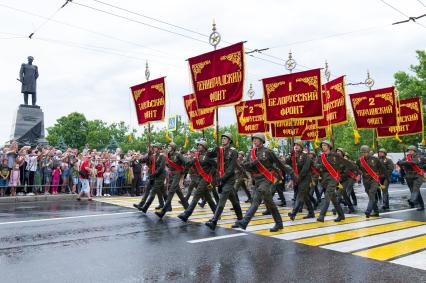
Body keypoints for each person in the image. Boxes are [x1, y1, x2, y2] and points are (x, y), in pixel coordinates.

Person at [233, 133, 294, 232]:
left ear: (261, 141)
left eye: (257, 139)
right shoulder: (251, 152)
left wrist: (292, 174)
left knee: (256, 200)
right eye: (254, 139)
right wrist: (253, 163)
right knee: (269, 203)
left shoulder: (268, 152)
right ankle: (279, 223)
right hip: (256, 180)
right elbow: (245, 165)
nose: (255, 141)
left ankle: (244, 222)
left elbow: (280, 163)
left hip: (266, 179)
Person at [205, 133, 243, 230]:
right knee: (234, 200)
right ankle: (241, 220)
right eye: (222, 138)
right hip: (221, 178)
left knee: (222, 199)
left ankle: (214, 221)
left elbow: (230, 169)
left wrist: (221, 179)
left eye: (225, 138)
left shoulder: (233, 152)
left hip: (229, 179)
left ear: (229, 140)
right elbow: (208, 156)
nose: (223, 140)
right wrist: (214, 149)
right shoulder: (220, 150)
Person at [178, 140, 217, 222]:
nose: (199, 146)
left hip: (206, 179)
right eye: (198, 145)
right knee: (208, 197)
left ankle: (186, 214)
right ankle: (217, 213)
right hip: (200, 178)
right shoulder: (196, 155)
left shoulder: (208, 156)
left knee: (196, 195)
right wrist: (182, 157)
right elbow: (189, 163)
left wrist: (211, 176)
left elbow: (216, 166)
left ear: (205, 147)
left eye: (200, 145)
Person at [155, 142, 190, 219]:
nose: (168, 147)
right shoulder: (168, 155)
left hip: (177, 174)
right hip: (171, 174)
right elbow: (167, 164)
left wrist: (184, 172)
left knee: (171, 191)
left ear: (173, 147)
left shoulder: (178, 155)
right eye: (168, 146)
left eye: (170, 146)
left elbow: (186, 162)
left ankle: (163, 211)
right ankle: (187, 207)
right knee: (179, 192)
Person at [315, 140, 346, 222]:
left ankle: (322, 215)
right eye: (322, 145)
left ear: (329, 146)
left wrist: (356, 171)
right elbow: (316, 165)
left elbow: (344, 164)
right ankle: (341, 215)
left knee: (327, 196)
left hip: (333, 178)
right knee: (334, 199)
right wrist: (320, 167)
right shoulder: (320, 157)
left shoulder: (335, 156)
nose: (323, 146)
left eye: (325, 145)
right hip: (325, 179)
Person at [134, 143, 166, 213]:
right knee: (149, 190)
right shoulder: (150, 155)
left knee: (158, 191)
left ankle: (164, 205)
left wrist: (148, 156)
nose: (152, 149)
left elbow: (160, 167)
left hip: (157, 175)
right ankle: (141, 204)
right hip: (152, 175)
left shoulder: (158, 156)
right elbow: (142, 160)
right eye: (151, 148)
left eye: (153, 147)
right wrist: (137, 159)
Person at [287, 140, 314, 220]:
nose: (296, 146)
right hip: (298, 178)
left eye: (298, 145)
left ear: (301, 147)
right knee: (305, 196)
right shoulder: (293, 156)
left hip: (305, 178)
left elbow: (305, 169)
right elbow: (287, 164)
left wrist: (298, 177)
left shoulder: (306, 156)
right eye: (295, 145)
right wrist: (289, 155)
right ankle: (311, 212)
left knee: (300, 194)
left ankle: (293, 213)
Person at [356, 145, 385, 217]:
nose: (364, 153)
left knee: (372, 193)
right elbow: (357, 169)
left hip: (374, 179)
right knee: (370, 195)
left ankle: (368, 210)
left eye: (365, 152)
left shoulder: (375, 159)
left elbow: (381, 168)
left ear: (368, 152)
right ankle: (376, 212)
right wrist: (359, 174)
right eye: (362, 152)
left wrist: (380, 176)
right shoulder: (359, 161)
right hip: (366, 180)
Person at [398, 145, 425, 211]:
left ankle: (412, 200)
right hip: (409, 176)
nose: (409, 151)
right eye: (409, 150)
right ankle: (421, 205)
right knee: (414, 190)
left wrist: (404, 162)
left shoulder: (419, 156)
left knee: (415, 189)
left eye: (411, 150)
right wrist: (401, 163)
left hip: (417, 175)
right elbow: (400, 162)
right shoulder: (407, 157)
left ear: (414, 151)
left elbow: (414, 162)